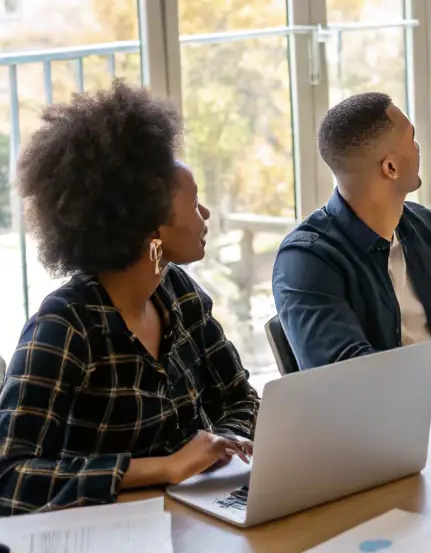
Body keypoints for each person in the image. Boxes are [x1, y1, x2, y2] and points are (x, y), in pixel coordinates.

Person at [0, 82, 257, 514]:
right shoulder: (64, 326)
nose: (205, 215)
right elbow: (9, 477)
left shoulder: (179, 293)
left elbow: (241, 399)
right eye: (194, 203)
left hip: (191, 518)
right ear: (150, 229)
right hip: (102, 543)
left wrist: (222, 447)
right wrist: (163, 467)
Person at [272, 93, 431, 377]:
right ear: (391, 168)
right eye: (412, 139)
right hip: (379, 419)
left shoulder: (425, 225)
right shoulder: (305, 260)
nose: (418, 148)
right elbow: (342, 372)